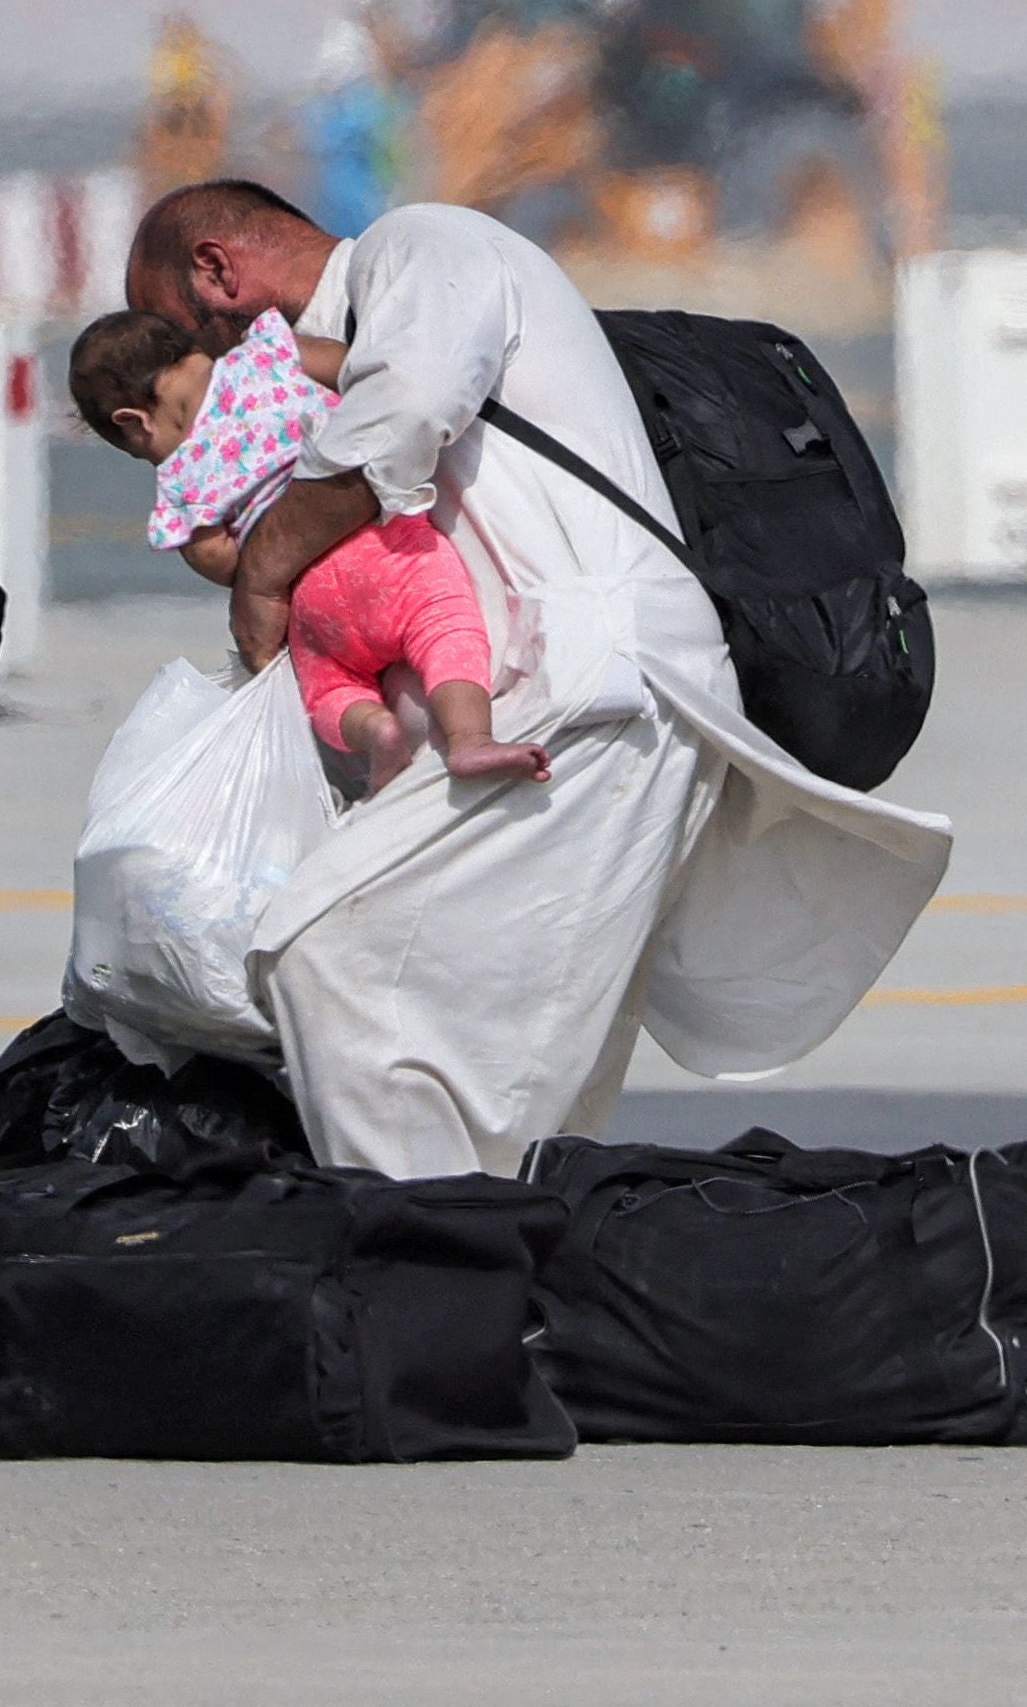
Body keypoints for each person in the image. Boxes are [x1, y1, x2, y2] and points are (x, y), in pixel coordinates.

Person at [124, 177, 953, 1178]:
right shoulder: (337, 350)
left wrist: (264, 572)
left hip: (593, 690)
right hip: (558, 700)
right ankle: (478, 1285)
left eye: (184, 336)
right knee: (505, 1047)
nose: (203, 376)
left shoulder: (422, 242)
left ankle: (429, 1274)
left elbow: (413, 406)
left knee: (326, 952)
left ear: (217, 269)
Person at [67, 302, 547, 795]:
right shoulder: (270, 353)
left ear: (134, 422)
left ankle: (374, 730)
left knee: (326, 688)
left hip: (314, 600)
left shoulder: (181, 483)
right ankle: (470, 738)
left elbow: (232, 567)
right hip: (387, 548)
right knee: (447, 628)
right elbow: (364, 375)